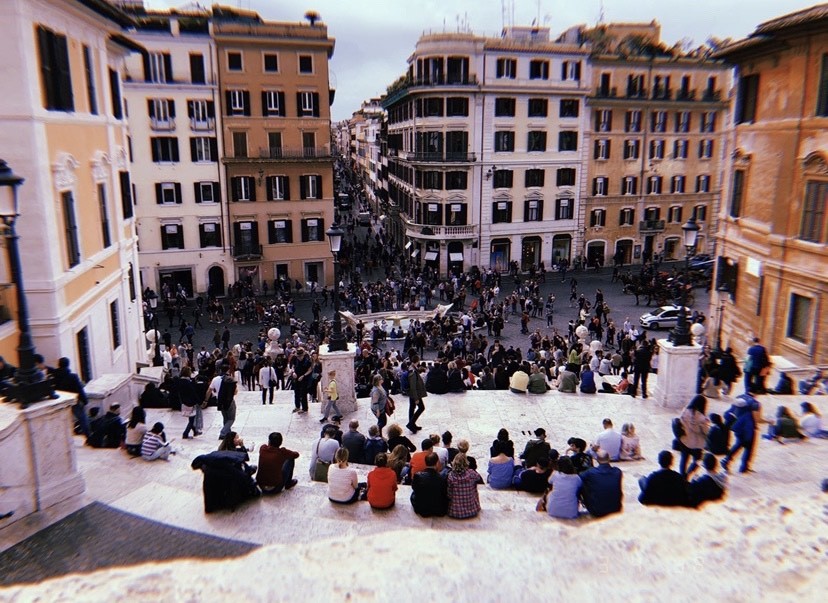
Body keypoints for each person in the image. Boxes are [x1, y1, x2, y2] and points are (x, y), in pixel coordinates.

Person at [722, 393, 763, 474]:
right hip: (748, 431)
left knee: (738, 445)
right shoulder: (752, 408)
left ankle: (727, 460)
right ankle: (744, 467)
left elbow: (728, 413)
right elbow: (756, 420)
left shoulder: (738, 400)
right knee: (749, 449)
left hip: (738, 429)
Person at [51, 357, 90, 438]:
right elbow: (79, 389)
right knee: (82, 419)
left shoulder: (54, 376)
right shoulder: (73, 377)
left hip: (61, 401)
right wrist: (85, 400)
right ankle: (88, 437)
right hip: (74, 401)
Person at [579, 450, 623, 517]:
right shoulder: (618, 471)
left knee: (582, 483)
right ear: (609, 459)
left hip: (596, 511)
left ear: (597, 460)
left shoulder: (590, 472)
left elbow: (578, 478)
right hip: (616, 509)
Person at [679, 395, 711, 477]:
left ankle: (682, 475)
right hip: (697, 443)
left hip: (685, 440)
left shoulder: (685, 411)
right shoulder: (702, 418)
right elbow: (706, 431)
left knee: (684, 459)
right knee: (697, 460)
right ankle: (688, 474)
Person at [410, 452, 448, 517]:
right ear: (436, 463)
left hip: (421, 509)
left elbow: (414, 488)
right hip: (438, 509)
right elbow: (444, 492)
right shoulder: (442, 477)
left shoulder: (418, 476)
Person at [205, 363, 237, 440]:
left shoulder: (215, 379)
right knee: (231, 419)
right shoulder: (230, 379)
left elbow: (209, 390)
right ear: (228, 370)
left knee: (225, 418)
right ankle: (223, 433)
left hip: (219, 401)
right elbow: (235, 392)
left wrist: (205, 400)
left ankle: (227, 434)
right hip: (229, 401)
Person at [447, 453, 482, 519]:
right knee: (474, 486)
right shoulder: (471, 473)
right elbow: (478, 479)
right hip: (472, 510)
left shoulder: (451, 476)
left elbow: (449, 493)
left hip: (455, 511)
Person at [178, 367, 202, 439]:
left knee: (191, 417)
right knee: (192, 419)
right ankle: (185, 433)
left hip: (183, 402)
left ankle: (195, 431)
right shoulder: (188, 382)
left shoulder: (179, 381)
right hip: (190, 402)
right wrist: (198, 401)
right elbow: (193, 393)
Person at [407, 357, 427, 433]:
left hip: (413, 393)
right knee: (421, 407)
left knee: (412, 408)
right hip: (415, 394)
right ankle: (411, 424)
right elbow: (413, 386)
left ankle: (412, 424)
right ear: (417, 361)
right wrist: (416, 398)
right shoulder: (412, 371)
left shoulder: (412, 368)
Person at [290, 347, 313, 413]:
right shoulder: (295, 359)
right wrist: (293, 372)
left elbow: (310, 370)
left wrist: (303, 376)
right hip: (296, 377)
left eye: (300, 356)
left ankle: (304, 408)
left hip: (304, 378)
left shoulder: (307, 360)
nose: (299, 358)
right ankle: (297, 406)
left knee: (303, 393)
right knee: (296, 392)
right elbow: (293, 367)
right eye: (298, 356)